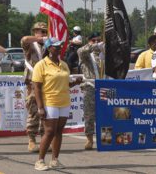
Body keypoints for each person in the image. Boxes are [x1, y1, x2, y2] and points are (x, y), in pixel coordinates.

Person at [32, 37, 82, 171]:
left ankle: (54, 159)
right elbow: (36, 87)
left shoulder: (63, 64)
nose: (59, 48)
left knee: (59, 131)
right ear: (49, 48)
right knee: (49, 131)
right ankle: (40, 161)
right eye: (56, 46)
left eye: (60, 45)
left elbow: (65, 84)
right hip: (49, 102)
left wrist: (75, 83)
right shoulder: (41, 65)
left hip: (64, 102)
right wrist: (40, 107)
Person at [21, 22, 49, 152]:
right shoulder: (30, 44)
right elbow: (24, 39)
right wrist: (39, 39)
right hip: (32, 83)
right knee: (33, 110)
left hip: (47, 82)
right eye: (40, 31)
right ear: (35, 32)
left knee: (46, 112)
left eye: (44, 32)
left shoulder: (49, 45)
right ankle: (31, 140)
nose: (43, 34)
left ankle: (45, 139)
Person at [77, 32, 103, 150]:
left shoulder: (103, 54)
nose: (96, 43)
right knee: (89, 114)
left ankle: (105, 138)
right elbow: (81, 51)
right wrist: (93, 46)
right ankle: (89, 139)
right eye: (93, 40)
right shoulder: (85, 54)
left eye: (98, 40)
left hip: (104, 86)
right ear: (89, 41)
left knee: (105, 113)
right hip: (90, 86)